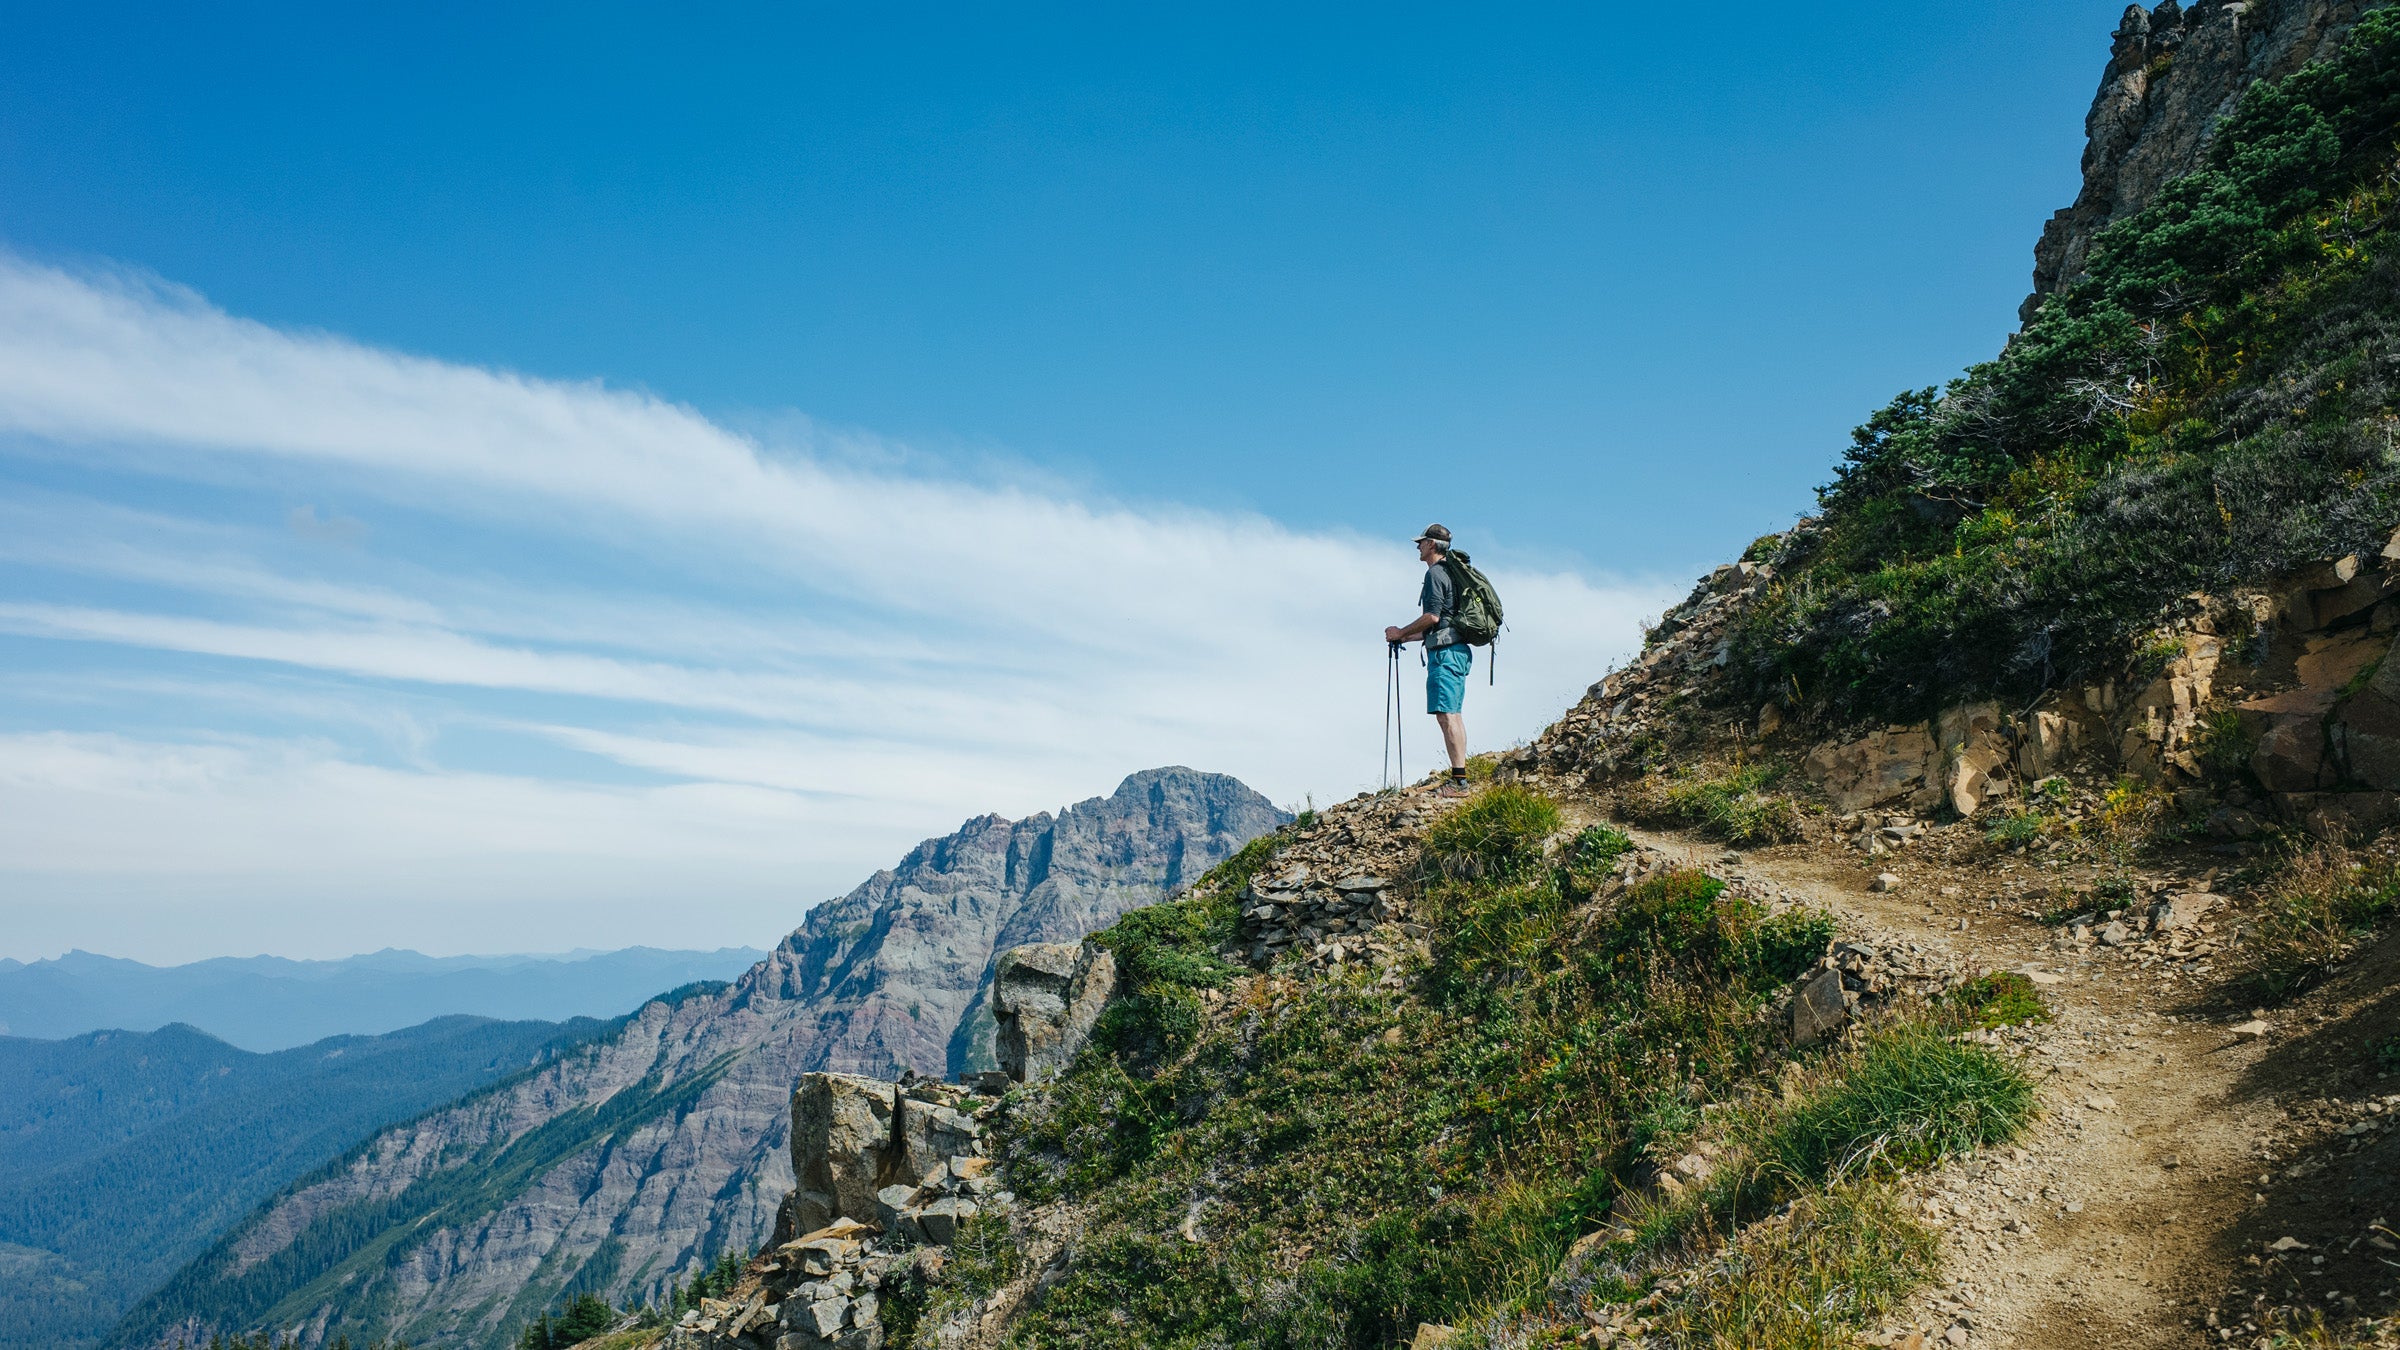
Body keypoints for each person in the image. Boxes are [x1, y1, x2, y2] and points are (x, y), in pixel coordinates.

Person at [1384, 523, 1472, 797]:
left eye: (1421, 542)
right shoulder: (1452, 574)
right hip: (1455, 650)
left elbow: (1432, 617)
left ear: (1432, 545)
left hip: (1445, 654)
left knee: (1447, 715)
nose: (1418, 547)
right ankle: (1460, 777)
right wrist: (1406, 639)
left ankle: (1459, 783)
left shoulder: (1435, 574)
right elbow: (1440, 623)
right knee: (1452, 713)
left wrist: (1400, 631)